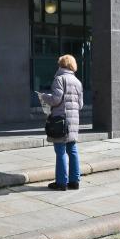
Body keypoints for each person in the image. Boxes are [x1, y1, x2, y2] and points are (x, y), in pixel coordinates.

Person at [38, 54, 84, 191]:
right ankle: (74, 181)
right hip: (73, 121)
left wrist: (45, 97)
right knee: (73, 150)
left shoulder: (59, 79)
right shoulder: (77, 82)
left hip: (61, 121)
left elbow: (56, 100)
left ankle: (61, 183)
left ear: (61, 65)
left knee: (60, 151)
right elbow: (80, 105)